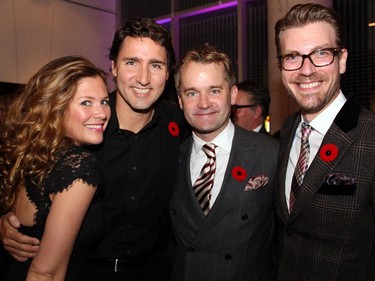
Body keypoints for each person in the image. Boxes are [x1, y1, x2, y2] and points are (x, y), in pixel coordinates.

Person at [0, 18, 188, 281]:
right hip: (88, 273)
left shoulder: (179, 122)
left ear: (168, 73)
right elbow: (32, 171)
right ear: (113, 66)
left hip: (155, 271)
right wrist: (9, 221)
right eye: (131, 62)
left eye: (155, 65)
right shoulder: (85, 125)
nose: (143, 78)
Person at [274, 3, 375, 281]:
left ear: (341, 60)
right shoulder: (289, 129)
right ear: (281, 66)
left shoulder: (370, 137)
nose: (306, 70)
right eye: (293, 56)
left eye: (320, 53)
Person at [169, 43, 279, 281]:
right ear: (180, 100)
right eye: (191, 93)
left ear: (232, 94)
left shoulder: (270, 153)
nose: (204, 103)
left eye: (214, 91)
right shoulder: (170, 156)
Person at [0, 56, 110, 280]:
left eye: (105, 101)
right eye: (86, 102)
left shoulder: (35, 153)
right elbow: (45, 273)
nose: (101, 113)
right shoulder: (79, 166)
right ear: (56, 108)